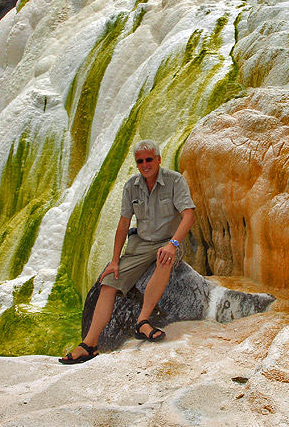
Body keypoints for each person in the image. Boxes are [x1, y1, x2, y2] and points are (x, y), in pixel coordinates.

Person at [59, 139, 195, 364]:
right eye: (140, 161)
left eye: (149, 159)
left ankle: (143, 321)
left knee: (163, 260)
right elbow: (123, 224)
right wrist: (114, 261)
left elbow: (188, 215)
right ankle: (89, 344)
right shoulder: (131, 186)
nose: (145, 164)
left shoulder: (175, 181)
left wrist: (173, 245)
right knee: (109, 281)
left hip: (168, 241)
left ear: (158, 160)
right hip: (140, 244)